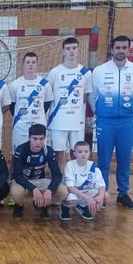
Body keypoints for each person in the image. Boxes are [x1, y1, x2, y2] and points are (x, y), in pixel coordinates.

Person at [89, 35, 133, 210]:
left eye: (124, 48)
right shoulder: (99, 71)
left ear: (129, 49)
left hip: (127, 122)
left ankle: (123, 194)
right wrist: (101, 113)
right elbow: (92, 95)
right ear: (112, 50)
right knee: (103, 160)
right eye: (118, 48)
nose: (121, 51)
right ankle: (103, 194)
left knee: (124, 159)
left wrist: (129, 112)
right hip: (105, 122)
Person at [47, 37, 93, 168]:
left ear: (78, 50)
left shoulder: (85, 73)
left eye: (74, 48)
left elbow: (85, 96)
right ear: (63, 51)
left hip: (77, 121)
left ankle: (75, 176)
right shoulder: (54, 72)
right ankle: (58, 177)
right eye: (68, 49)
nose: (71, 51)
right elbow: (49, 96)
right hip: (58, 121)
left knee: (77, 152)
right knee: (58, 153)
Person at [10, 124, 68, 220]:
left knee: (63, 191)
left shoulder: (48, 151)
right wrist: (34, 189)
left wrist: (49, 190)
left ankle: (42, 204)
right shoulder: (21, 149)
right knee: (16, 192)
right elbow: (17, 175)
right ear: (29, 138)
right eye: (35, 138)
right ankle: (19, 206)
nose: (38, 142)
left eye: (41, 139)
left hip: (40, 180)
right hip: (23, 181)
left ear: (44, 138)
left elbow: (57, 175)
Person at [8, 52, 53, 152]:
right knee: (17, 154)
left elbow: (46, 104)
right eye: (28, 62)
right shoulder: (15, 84)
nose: (30, 65)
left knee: (39, 155)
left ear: (37, 64)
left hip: (39, 127)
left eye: (33, 62)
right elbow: (12, 106)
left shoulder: (45, 84)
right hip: (20, 127)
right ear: (23, 64)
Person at [60, 141, 105, 221]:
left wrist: (101, 197)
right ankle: (65, 206)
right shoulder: (70, 165)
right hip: (73, 193)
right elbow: (70, 188)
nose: (83, 154)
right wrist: (87, 197)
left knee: (105, 195)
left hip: (85, 192)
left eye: (86, 151)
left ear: (89, 153)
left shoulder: (93, 166)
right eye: (80, 152)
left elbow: (101, 184)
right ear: (74, 154)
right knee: (71, 200)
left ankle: (82, 206)